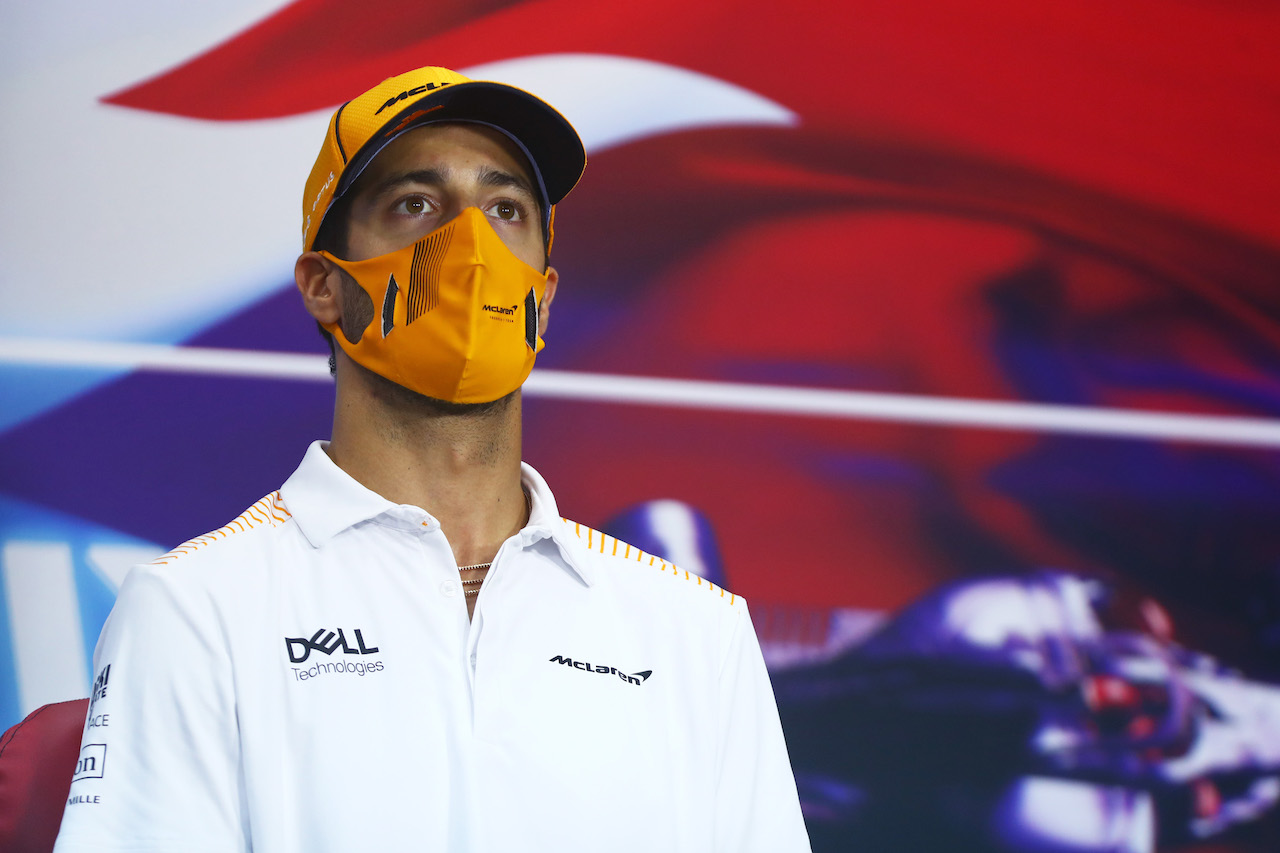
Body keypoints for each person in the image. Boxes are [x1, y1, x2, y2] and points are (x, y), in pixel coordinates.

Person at [53, 66, 810, 852]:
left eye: (506, 209)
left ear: (544, 296)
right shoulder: (195, 609)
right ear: (323, 284)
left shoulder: (694, 629)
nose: (472, 247)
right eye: (416, 204)